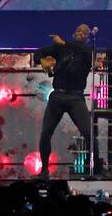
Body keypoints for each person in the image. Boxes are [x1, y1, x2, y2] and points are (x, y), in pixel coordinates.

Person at [35, 23, 102, 179]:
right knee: (45, 133)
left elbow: (81, 50)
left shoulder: (87, 51)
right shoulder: (60, 48)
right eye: (78, 30)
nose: (81, 33)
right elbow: (38, 52)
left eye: (85, 32)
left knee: (88, 134)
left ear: (87, 38)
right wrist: (42, 60)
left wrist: (63, 43)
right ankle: (44, 170)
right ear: (73, 34)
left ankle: (98, 169)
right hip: (58, 96)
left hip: (76, 98)